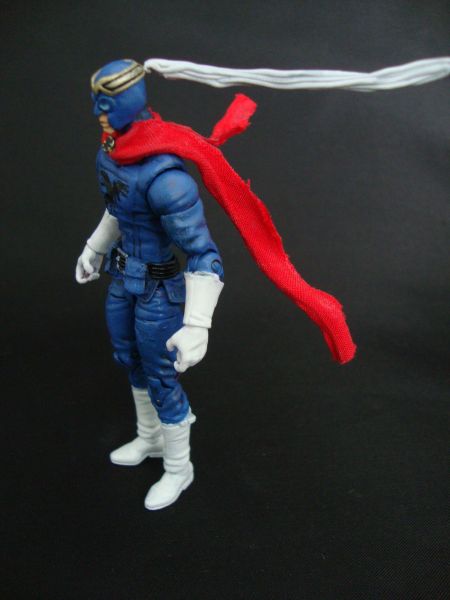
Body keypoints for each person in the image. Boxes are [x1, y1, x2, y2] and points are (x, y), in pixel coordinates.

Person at [76, 59, 224, 510]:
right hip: (123, 277)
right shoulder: (113, 153)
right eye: (95, 100)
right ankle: (151, 438)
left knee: (161, 376)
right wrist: (94, 248)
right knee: (130, 360)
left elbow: (204, 253)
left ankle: (179, 468)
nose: (98, 111)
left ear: (131, 99)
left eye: (107, 102)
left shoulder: (166, 178)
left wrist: (197, 324)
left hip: (159, 290)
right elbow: (119, 211)